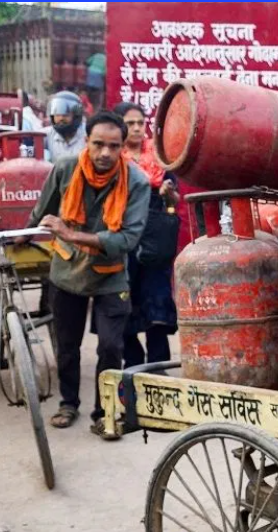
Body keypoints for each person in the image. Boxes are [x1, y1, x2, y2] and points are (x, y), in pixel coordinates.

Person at [23, 111, 152, 438]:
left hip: (111, 275)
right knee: (67, 345)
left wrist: (72, 234)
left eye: (113, 146)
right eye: (98, 144)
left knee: (111, 346)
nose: (105, 153)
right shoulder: (65, 168)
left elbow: (128, 239)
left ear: (123, 147)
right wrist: (17, 239)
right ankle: (68, 403)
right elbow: (41, 214)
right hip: (67, 271)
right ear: (87, 142)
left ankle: (104, 412)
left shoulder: (136, 182)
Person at [111, 102, 180, 368]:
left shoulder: (161, 157)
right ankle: (133, 363)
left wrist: (169, 197)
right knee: (124, 298)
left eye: (141, 123)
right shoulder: (112, 160)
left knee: (157, 301)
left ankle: (159, 369)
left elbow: (174, 201)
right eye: (130, 124)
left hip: (154, 241)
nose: (138, 128)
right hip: (123, 238)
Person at [43, 91, 88, 162]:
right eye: (57, 115)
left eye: (66, 115)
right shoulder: (47, 134)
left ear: (76, 116)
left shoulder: (88, 133)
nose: (61, 118)